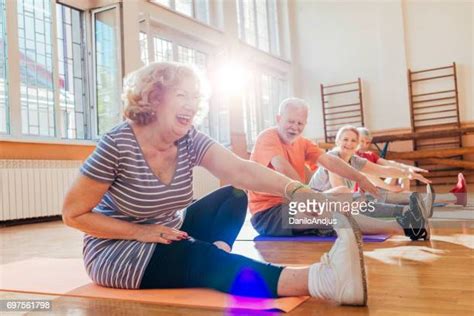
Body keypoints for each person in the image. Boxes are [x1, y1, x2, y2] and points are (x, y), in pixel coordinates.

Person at [62, 62, 379, 306]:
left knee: (234, 195)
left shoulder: (189, 138)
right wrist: (139, 232)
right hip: (117, 251)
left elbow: (242, 170)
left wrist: (300, 192)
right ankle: (321, 280)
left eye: (195, 97)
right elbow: (73, 214)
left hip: (169, 231)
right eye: (182, 95)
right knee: (200, 260)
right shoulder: (117, 144)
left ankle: (217, 252)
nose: (191, 104)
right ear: (153, 98)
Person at [248, 99, 431, 241]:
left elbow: (330, 161)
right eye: (290, 122)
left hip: (294, 202)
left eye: (300, 123)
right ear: (279, 119)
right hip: (268, 214)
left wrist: (361, 178)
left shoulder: (302, 143)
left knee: (346, 195)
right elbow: (283, 168)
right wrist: (308, 198)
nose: (295, 127)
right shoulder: (268, 138)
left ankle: (405, 213)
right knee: (334, 211)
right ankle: (404, 227)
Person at [309, 125, 433, 240]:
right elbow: (339, 188)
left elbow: (383, 170)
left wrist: (408, 174)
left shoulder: (355, 160)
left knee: (361, 199)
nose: (349, 143)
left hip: (337, 203)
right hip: (315, 207)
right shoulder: (332, 157)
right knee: (358, 198)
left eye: (353, 141)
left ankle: (410, 213)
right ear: (337, 141)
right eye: (345, 139)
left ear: (357, 144)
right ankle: (408, 220)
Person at [357, 127, 467, 206]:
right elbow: (367, 176)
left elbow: (390, 164)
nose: (364, 145)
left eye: (367, 142)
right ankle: (454, 197)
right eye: (361, 141)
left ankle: (405, 197)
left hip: (378, 190)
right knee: (406, 193)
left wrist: (408, 169)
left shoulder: (369, 155)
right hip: (368, 198)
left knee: (398, 171)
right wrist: (390, 187)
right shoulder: (353, 157)